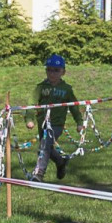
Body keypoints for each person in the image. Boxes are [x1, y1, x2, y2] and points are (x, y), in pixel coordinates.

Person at [24, 54, 84, 182]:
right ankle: (60, 161)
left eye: (56, 70)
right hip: (42, 124)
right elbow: (31, 103)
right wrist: (29, 119)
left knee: (44, 146)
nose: (52, 73)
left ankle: (39, 173)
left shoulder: (66, 89)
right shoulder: (40, 87)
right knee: (47, 147)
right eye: (49, 70)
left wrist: (79, 122)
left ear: (63, 72)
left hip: (56, 125)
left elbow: (74, 107)